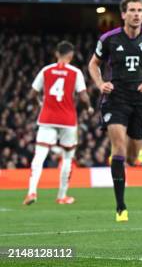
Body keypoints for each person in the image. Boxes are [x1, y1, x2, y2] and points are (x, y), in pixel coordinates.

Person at [88, 0, 142, 222]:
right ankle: (120, 206)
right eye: (132, 10)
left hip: (140, 99)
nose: (136, 14)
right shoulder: (110, 39)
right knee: (119, 147)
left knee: (133, 153)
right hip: (116, 98)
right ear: (123, 14)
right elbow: (94, 64)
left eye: (140, 11)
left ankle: (137, 156)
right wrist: (100, 83)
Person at [24, 41, 93, 205]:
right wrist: (88, 108)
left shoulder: (46, 70)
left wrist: (40, 105)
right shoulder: (75, 72)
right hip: (68, 119)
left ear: (56, 54)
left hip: (47, 117)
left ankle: (32, 192)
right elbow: (83, 97)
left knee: (39, 156)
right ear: (71, 56)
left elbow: (32, 94)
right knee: (68, 157)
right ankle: (61, 196)